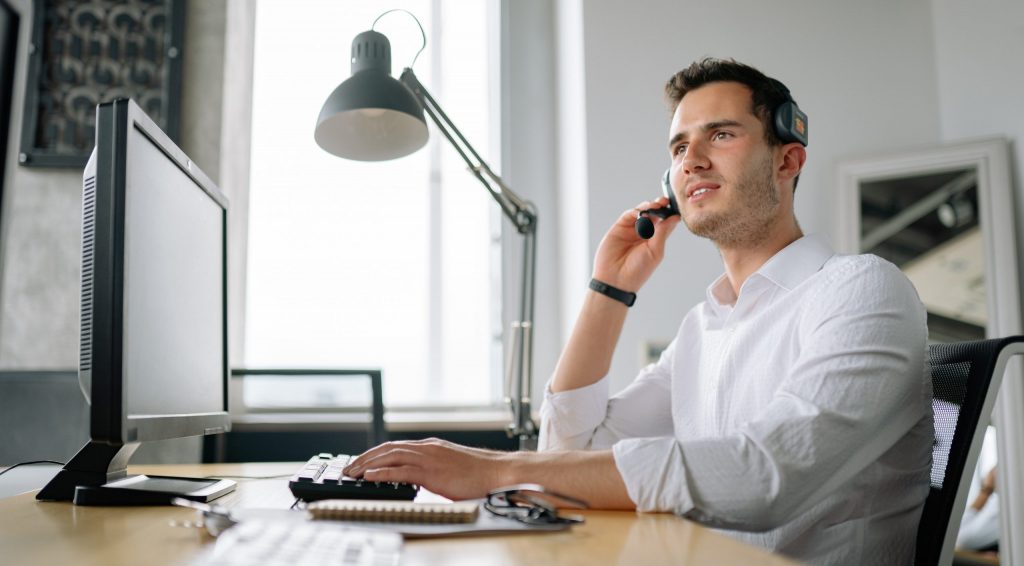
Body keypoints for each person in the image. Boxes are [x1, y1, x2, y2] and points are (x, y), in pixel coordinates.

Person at [344, 58, 934, 565]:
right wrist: (609, 289)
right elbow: (567, 454)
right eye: (679, 147)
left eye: (721, 135)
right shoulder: (706, 328)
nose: (692, 160)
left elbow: (765, 479)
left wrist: (494, 471)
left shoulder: (861, 290)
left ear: (787, 161)